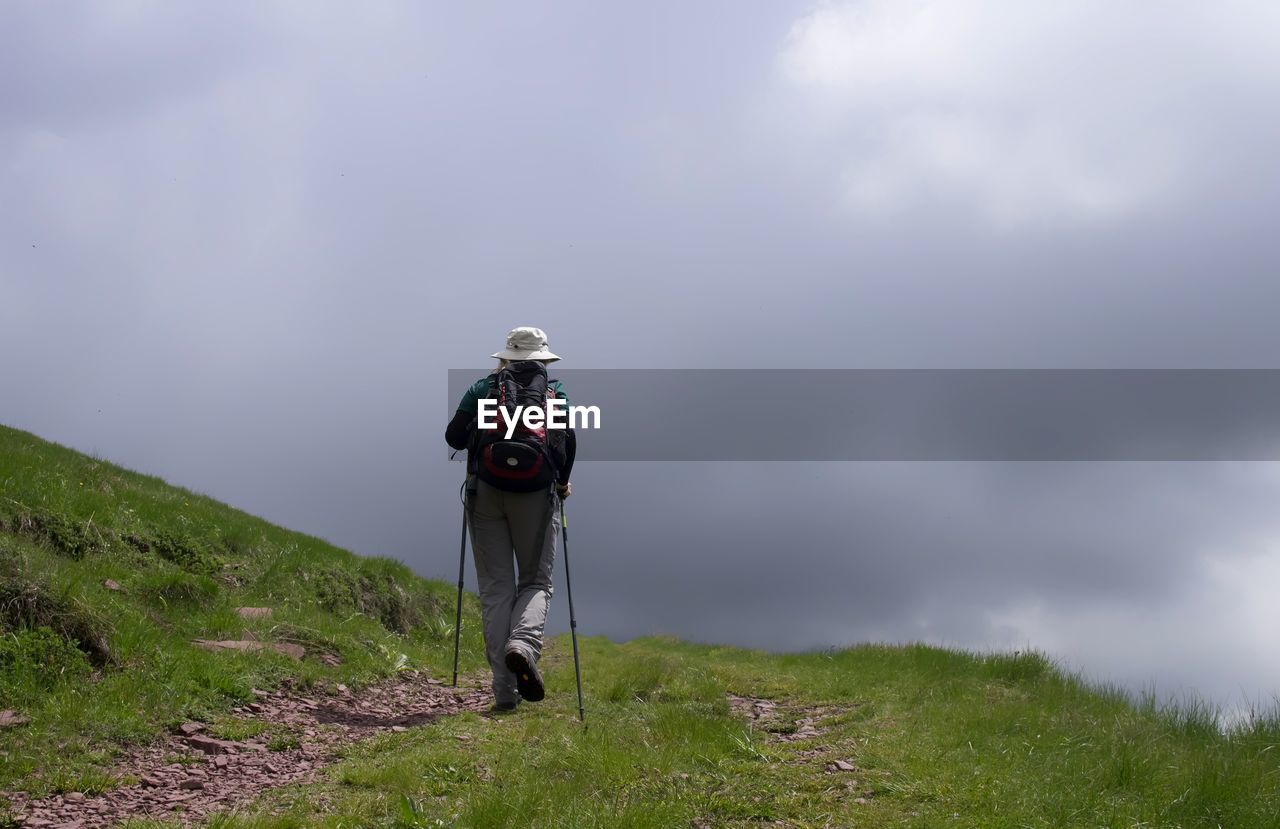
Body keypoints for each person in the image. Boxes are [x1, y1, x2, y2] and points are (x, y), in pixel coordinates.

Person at [445, 327, 576, 712]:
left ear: (506, 357)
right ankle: (523, 644)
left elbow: (453, 437)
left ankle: (504, 692)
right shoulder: (556, 393)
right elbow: (567, 441)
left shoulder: (481, 389)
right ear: (543, 359)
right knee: (536, 581)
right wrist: (564, 483)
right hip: (536, 495)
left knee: (496, 589)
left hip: (485, 493)